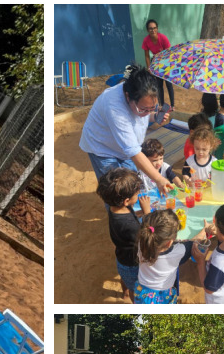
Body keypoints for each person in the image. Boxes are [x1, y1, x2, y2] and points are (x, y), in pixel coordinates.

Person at [80, 64, 175, 192]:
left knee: (133, 184)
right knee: (116, 190)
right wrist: (159, 179)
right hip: (102, 147)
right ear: (128, 97)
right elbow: (133, 151)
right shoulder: (114, 107)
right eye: (143, 109)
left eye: (152, 108)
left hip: (125, 147)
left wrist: (154, 116)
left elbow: (139, 117)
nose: (147, 113)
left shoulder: (140, 100)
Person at [98, 168, 151, 302]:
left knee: (125, 278)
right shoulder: (130, 225)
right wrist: (147, 213)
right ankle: (132, 298)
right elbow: (147, 235)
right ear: (126, 201)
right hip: (132, 263)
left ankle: (125, 293)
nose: (138, 194)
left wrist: (139, 213)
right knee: (134, 288)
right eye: (137, 193)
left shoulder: (114, 207)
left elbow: (129, 216)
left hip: (121, 256)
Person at [134, 209, 205, 304]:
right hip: (163, 295)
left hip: (142, 292)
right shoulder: (179, 251)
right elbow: (194, 242)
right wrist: (205, 230)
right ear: (169, 243)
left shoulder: (142, 242)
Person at [142, 19, 174, 107]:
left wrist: (161, 59)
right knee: (159, 85)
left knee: (168, 84)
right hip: (156, 63)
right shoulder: (146, 40)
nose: (153, 30)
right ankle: (161, 105)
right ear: (147, 30)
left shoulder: (163, 38)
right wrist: (149, 67)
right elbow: (147, 56)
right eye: (150, 28)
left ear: (157, 28)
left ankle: (172, 105)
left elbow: (169, 53)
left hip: (166, 61)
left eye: (154, 28)